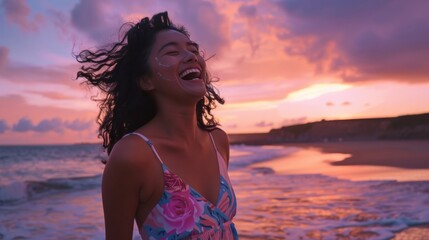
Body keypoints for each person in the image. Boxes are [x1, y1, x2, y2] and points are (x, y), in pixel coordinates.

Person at [75, 12, 238, 239]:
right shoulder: (132, 155)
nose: (191, 56)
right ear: (146, 80)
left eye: (193, 49)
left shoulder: (217, 140)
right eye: (172, 52)